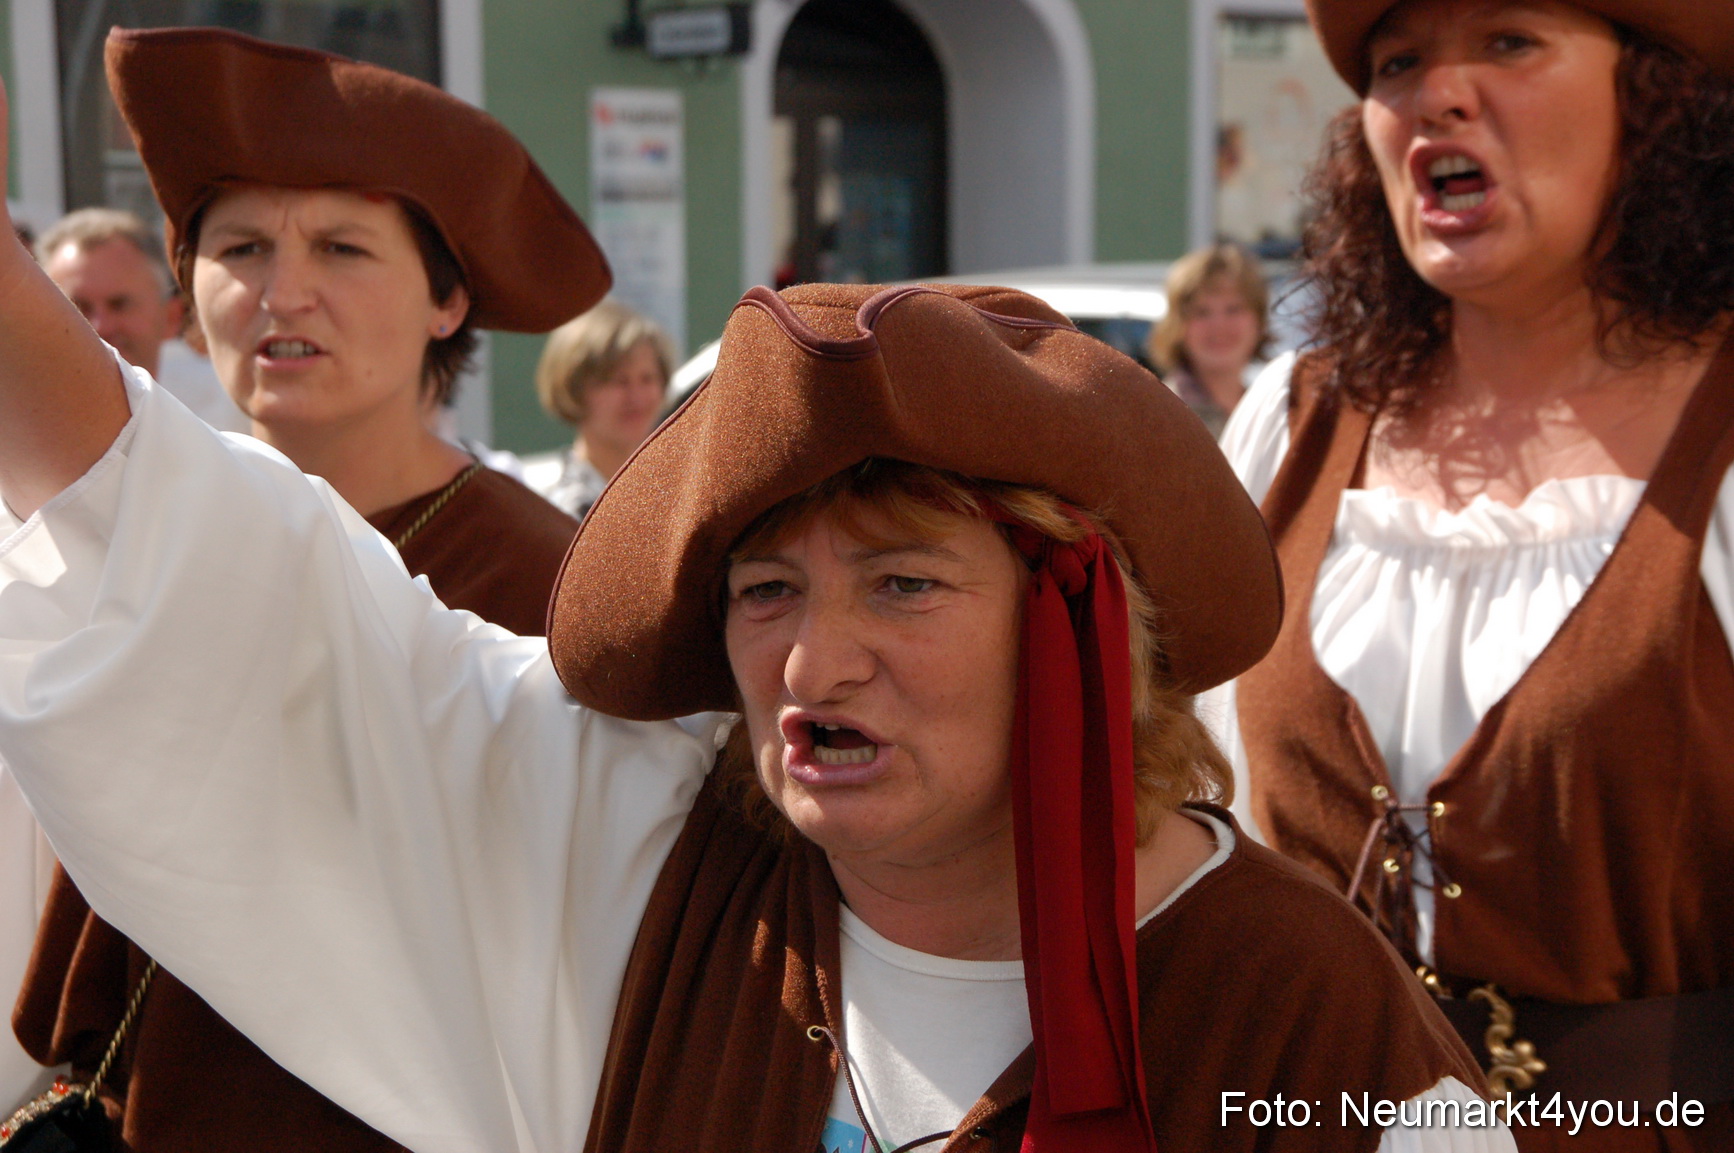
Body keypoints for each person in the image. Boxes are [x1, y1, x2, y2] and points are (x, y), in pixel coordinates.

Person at [0, 82, 1522, 1145]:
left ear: (1073, 619)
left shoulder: (1280, 999)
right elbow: (249, 604)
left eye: (904, 583)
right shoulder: (657, 864)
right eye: (766, 591)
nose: (812, 657)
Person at [3, 27, 603, 1150]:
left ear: (446, 301)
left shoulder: (546, 581)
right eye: (238, 249)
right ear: (187, 295)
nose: (284, 293)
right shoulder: (100, 535)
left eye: (342, 248)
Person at [1214, 0, 1734, 1143]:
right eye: (1400, 64)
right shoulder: (1289, 424)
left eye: (1508, 43)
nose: (1437, 96)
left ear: (1655, 103)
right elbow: (1193, 808)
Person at [35, 207, 249, 432]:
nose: (101, 326)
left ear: (170, 317)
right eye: (77, 307)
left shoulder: (229, 425)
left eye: (119, 305)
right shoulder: (12, 438)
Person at [524, 298, 675, 519]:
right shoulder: (567, 510)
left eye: (647, 378)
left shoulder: (674, 492)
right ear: (575, 389)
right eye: (619, 381)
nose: (636, 396)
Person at [1146, 243, 1269, 437]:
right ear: (1177, 326)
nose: (1219, 325)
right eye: (1202, 312)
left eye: (1233, 309)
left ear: (1259, 320)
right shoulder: (1160, 415)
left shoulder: (1270, 410)